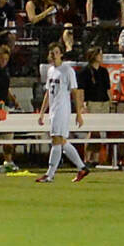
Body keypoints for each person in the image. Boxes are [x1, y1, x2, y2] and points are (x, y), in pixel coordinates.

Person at [37, 40, 90, 183]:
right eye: (51, 53)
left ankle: (50, 174)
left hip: (62, 109)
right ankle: (82, 167)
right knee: (62, 141)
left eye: (56, 53)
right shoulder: (50, 70)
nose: (53, 56)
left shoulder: (67, 71)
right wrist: (42, 112)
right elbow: (48, 93)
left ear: (61, 54)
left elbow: (75, 92)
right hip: (53, 110)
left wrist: (78, 114)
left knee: (56, 140)